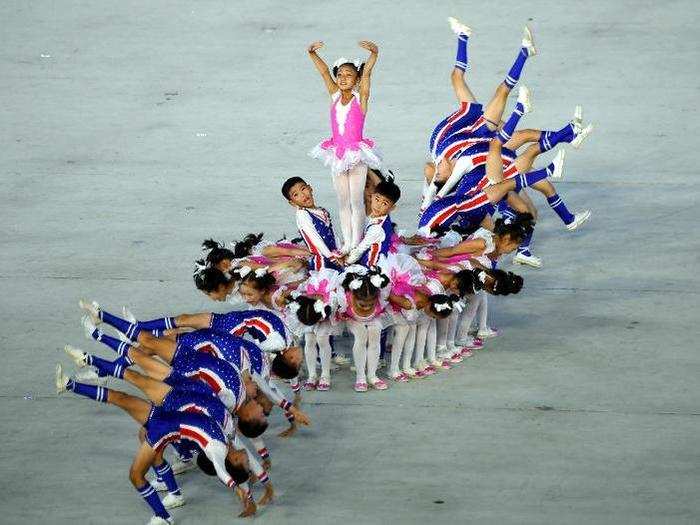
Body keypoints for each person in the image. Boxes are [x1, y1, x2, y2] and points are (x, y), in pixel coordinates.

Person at [307, 40, 382, 251]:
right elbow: (323, 73)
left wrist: (373, 55)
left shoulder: (361, 98)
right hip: (337, 153)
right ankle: (347, 242)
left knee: (356, 200)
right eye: (340, 74)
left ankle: (356, 243)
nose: (343, 78)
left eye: (349, 74)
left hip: (356, 153)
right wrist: (312, 54)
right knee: (342, 201)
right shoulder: (334, 96)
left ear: (356, 78)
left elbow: (367, 75)